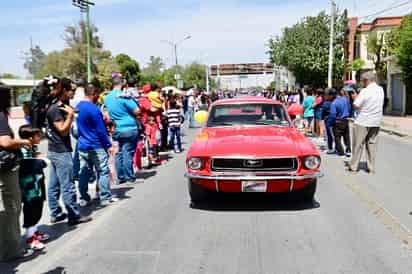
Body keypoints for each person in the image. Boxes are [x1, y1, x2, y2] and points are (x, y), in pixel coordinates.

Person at [46, 78, 92, 226]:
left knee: (54, 185)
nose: (74, 92)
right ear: (64, 91)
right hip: (61, 151)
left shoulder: (59, 105)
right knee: (68, 185)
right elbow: (63, 131)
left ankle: (56, 213)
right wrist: (71, 116)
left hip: (54, 150)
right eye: (72, 90)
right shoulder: (56, 109)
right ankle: (73, 215)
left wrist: (73, 111)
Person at [0, 86, 34, 261]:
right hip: (5, 170)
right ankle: (11, 250)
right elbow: (5, 142)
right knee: (11, 208)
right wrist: (22, 142)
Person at [77, 84, 118, 207]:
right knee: (103, 171)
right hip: (96, 145)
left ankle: (84, 198)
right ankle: (104, 197)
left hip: (83, 145)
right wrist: (108, 145)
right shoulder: (94, 109)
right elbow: (100, 130)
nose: (98, 97)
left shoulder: (78, 107)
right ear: (94, 93)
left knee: (84, 172)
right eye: (98, 94)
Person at [104, 77, 141, 184]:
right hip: (129, 127)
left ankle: (120, 178)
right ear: (123, 84)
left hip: (115, 128)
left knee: (118, 153)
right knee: (127, 152)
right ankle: (129, 177)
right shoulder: (124, 96)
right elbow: (137, 111)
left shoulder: (107, 97)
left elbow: (106, 111)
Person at [18, 125, 49, 251]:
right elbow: (29, 166)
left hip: (37, 182)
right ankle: (30, 237)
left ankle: (34, 231)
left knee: (38, 206)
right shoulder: (22, 150)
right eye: (37, 135)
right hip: (29, 185)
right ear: (30, 138)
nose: (40, 137)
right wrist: (42, 162)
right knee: (31, 208)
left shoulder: (32, 148)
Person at [348, 72, 384, 174]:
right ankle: (371, 167)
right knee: (372, 145)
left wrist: (355, 97)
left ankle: (354, 167)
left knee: (358, 145)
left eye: (363, 81)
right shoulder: (381, 90)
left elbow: (356, 105)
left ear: (366, 80)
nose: (362, 83)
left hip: (363, 121)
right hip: (376, 121)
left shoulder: (365, 91)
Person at [327, 87, 351, 157]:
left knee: (337, 138)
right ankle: (348, 150)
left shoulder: (334, 103)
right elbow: (349, 108)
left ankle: (341, 152)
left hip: (338, 121)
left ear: (332, 95)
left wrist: (330, 123)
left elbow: (332, 115)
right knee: (346, 136)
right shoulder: (345, 99)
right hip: (346, 120)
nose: (328, 97)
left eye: (329, 95)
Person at [322, 89, 335, 154]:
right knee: (334, 134)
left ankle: (330, 148)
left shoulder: (326, 103)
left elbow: (323, 112)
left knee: (329, 135)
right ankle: (336, 147)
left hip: (328, 120)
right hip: (335, 119)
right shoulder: (335, 101)